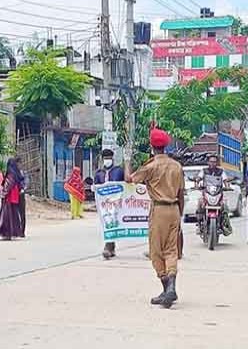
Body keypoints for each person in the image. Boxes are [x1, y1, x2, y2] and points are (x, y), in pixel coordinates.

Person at [126, 128, 184, 309]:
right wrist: (179, 213)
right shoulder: (177, 166)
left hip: (159, 210)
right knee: (171, 250)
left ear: (152, 147)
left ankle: (167, 287)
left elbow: (130, 179)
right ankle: (170, 288)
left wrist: (127, 161)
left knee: (156, 252)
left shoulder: (150, 166)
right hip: (174, 209)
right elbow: (181, 193)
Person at [94, 149, 125, 260]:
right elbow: (96, 188)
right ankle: (109, 246)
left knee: (114, 222)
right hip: (104, 204)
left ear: (112, 158)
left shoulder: (119, 171)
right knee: (108, 222)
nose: (107, 160)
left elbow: (125, 184)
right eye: (105, 158)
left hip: (118, 202)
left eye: (109, 158)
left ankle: (110, 246)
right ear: (102, 159)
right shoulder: (99, 173)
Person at [194, 154, 233, 237]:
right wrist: (196, 183)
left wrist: (227, 186)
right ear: (208, 162)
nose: (213, 163)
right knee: (199, 203)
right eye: (211, 162)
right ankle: (199, 223)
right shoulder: (204, 171)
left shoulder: (221, 171)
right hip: (207, 193)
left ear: (217, 163)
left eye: (215, 162)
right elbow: (198, 178)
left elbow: (225, 180)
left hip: (218, 193)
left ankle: (225, 225)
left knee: (224, 206)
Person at [0, 158, 24, 240]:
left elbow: (8, 186)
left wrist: (3, 193)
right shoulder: (16, 174)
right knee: (13, 215)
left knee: (7, 216)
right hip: (14, 197)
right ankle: (13, 232)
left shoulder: (11, 175)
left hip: (9, 197)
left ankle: (7, 233)